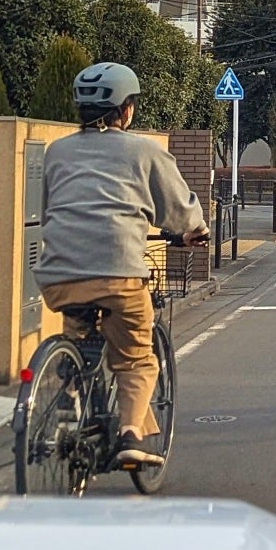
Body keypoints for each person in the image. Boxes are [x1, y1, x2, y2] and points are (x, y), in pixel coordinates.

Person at [33, 62, 207, 469]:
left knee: (78, 335)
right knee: (135, 356)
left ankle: (68, 402)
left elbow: (49, 212)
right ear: (126, 109)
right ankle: (131, 436)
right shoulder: (143, 149)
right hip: (118, 274)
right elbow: (180, 212)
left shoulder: (57, 150)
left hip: (58, 275)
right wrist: (194, 230)